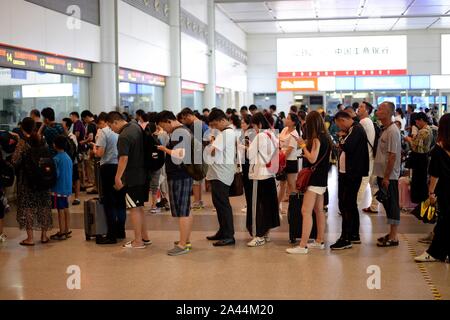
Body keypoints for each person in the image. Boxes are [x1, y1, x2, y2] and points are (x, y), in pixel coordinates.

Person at [287, 111, 332, 254]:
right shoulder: (326, 137)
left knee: (305, 211)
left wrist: (302, 145)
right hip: (322, 179)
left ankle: (302, 245)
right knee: (318, 210)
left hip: (314, 180)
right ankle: (319, 241)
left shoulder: (317, 139)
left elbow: (312, 159)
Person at [107, 111, 150, 249]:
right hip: (143, 173)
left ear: (115, 122)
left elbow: (123, 158)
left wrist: (118, 177)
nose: (111, 130)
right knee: (139, 207)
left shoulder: (124, 136)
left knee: (134, 209)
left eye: (110, 126)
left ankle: (138, 241)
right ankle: (145, 237)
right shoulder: (135, 126)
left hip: (132, 177)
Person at [155, 111, 194, 255]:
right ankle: (185, 240)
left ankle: (183, 245)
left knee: (183, 210)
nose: (163, 129)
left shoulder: (180, 132)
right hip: (181, 174)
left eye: (163, 126)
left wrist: (165, 149)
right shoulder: (182, 130)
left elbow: (180, 154)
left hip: (180, 175)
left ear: (167, 121)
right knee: (185, 209)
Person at [331, 111, 369, 250]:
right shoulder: (354, 129)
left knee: (346, 204)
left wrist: (341, 138)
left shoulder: (356, 129)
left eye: (339, 124)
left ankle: (345, 238)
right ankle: (354, 234)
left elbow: (348, 147)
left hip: (352, 174)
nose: (340, 128)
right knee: (350, 204)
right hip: (348, 172)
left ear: (343, 120)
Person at [415, 114, 450, 263]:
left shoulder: (439, 148)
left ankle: (435, 252)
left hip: (445, 190)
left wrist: (431, 193)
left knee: (444, 221)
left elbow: (435, 174)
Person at [12, 117, 52, 246]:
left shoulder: (22, 143)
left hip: (27, 181)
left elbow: (15, 161)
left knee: (28, 208)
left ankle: (30, 238)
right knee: (44, 206)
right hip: (43, 179)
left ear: (22, 128)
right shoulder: (43, 140)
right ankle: (44, 235)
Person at [91, 113, 126, 244]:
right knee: (120, 201)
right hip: (121, 167)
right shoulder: (122, 131)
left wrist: (94, 148)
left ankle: (111, 235)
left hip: (108, 168)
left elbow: (100, 153)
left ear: (104, 122)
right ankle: (121, 231)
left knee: (109, 201)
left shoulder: (103, 132)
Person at [247, 112, 280, 247]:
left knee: (257, 207)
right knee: (268, 205)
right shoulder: (272, 134)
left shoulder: (260, 136)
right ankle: (265, 233)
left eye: (254, 126)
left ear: (259, 124)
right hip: (270, 174)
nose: (254, 129)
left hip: (259, 175)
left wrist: (247, 147)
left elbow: (250, 155)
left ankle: (258, 235)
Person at [204, 109, 236, 247]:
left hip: (221, 174)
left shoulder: (226, 134)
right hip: (220, 173)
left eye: (215, 125)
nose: (213, 128)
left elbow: (212, 152)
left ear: (223, 120)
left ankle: (228, 235)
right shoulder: (227, 133)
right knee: (219, 205)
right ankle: (223, 231)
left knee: (223, 205)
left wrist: (211, 143)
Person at [374, 102, 402, 248]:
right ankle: (391, 233)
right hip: (382, 174)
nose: (377, 111)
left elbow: (392, 156)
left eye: (380, 109)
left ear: (388, 113)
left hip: (389, 176)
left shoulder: (392, 131)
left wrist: (386, 177)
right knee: (387, 204)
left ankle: (394, 236)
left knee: (392, 205)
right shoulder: (384, 129)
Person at [178, 108, 210, 211]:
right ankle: (199, 200)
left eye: (184, 118)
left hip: (199, 155)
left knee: (196, 179)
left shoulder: (196, 125)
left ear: (188, 116)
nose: (183, 121)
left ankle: (197, 201)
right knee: (199, 179)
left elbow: (196, 144)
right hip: (204, 154)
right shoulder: (202, 123)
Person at [404, 112, 432, 204]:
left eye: (417, 122)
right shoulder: (429, 129)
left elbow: (416, 147)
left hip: (419, 158)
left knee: (418, 180)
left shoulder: (423, 131)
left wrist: (409, 140)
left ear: (421, 120)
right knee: (422, 179)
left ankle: (418, 200)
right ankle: (421, 199)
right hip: (424, 157)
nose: (417, 124)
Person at [49, 135, 73, 241]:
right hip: (67, 187)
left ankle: (62, 231)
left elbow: (56, 174)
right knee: (66, 208)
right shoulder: (68, 157)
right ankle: (67, 230)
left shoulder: (56, 158)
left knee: (60, 210)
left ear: (55, 145)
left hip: (58, 188)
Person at [357, 102, 378, 213]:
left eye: (361, 107)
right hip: (371, 156)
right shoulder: (369, 121)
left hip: (366, 158)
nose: (358, 108)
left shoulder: (363, 122)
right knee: (373, 183)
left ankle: (354, 206)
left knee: (363, 182)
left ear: (367, 110)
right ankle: (374, 206)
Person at [278, 113, 300, 214]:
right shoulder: (284, 129)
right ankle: (277, 205)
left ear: (293, 122)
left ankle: (294, 207)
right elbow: (279, 143)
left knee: (291, 185)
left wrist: (281, 160)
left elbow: (289, 150)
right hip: (282, 159)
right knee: (282, 184)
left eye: (287, 118)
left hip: (290, 161)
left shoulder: (295, 134)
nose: (285, 120)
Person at [62, 118, 81, 206]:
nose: (61, 126)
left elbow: (74, 150)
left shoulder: (72, 137)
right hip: (66, 162)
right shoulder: (61, 136)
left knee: (75, 178)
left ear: (68, 126)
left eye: (63, 125)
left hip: (73, 161)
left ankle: (77, 197)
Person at [81, 110, 97, 192]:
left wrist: (83, 142)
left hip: (91, 148)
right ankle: (95, 185)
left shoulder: (90, 125)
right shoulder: (96, 123)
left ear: (87, 117)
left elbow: (90, 138)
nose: (84, 121)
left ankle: (94, 185)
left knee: (91, 167)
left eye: (84, 119)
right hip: (96, 148)